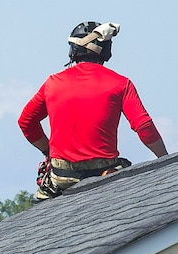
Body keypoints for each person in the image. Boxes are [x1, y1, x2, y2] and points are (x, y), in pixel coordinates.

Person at [19, 21, 168, 200]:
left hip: (62, 177)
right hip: (105, 174)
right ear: (106, 50)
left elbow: (26, 122)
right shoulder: (121, 84)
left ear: (73, 50)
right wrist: (165, 160)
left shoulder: (52, 83)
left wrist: (48, 152)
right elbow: (144, 127)